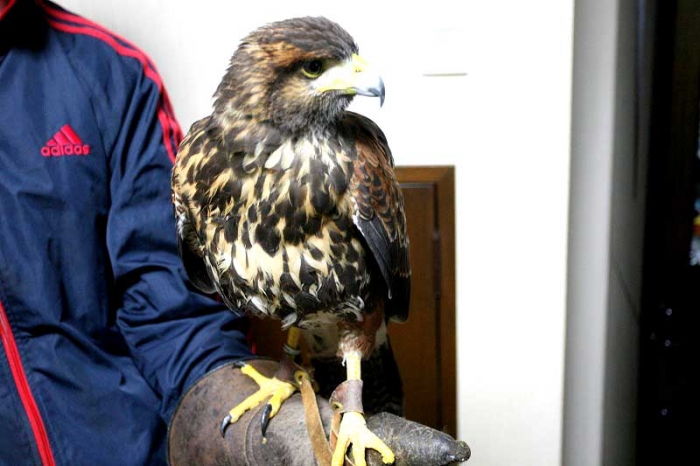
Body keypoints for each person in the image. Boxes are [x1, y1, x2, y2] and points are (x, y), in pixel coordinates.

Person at [0, 1, 469, 465]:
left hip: (343, 341)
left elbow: (166, 296)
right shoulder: (200, 161)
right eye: (315, 68)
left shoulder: (108, 71)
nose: (359, 76)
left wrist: (214, 392)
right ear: (264, 84)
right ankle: (288, 370)